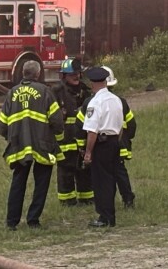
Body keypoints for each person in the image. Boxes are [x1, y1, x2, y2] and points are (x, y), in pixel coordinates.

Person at [0, 60, 64, 230]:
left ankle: (11, 222)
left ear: (23, 73)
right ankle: (33, 220)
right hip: (42, 145)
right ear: (38, 74)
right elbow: (57, 120)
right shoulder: (45, 91)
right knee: (41, 183)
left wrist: (10, 137)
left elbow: (2, 125)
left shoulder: (12, 93)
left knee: (18, 182)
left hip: (19, 145)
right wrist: (58, 136)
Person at [81, 65, 124, 228]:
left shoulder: (95, 102)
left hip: (101, 144)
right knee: (111, 179)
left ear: (92, 83)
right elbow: (121, 126)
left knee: (100, 181)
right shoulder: (116, 100)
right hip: (114, 141)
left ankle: (104, 216)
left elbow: (92, 131)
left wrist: (88, 152)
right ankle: (110, 215)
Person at [51, 58, 93, 206]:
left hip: (82, 137)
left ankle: (87, 198)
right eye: (72, 74)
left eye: (78, 73)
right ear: (64, 76)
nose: (76, 76)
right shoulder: (56, 92)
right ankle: (67, 200)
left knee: (84, 169)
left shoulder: (85, 91)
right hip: (65, 139)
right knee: (65, 170)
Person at [105, 66, 137, 208]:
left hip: (103, 146)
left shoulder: (94, 102)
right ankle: (128, 199)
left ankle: (107, 201)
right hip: (120, 146)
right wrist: (126, 139)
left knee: (105, 174)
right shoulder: (121, 102)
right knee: (120, 172)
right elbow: (132, 125)